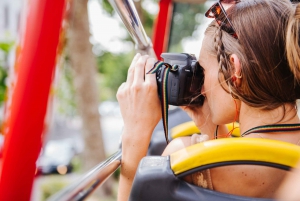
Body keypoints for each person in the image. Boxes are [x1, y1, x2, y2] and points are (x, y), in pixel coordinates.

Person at [116, 0, 300, 200]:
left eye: (202, 71)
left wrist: (135, 135)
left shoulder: (185, 160)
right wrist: (210, 129)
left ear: (235, 70)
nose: (202, 87)